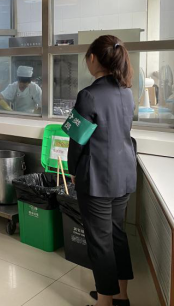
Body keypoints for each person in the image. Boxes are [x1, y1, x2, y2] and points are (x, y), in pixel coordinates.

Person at [68, 35, 136, 306]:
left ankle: (104, 302)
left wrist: (73, 170)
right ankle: (121, 296)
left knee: (100, 241)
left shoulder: (89, 95)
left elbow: (77, 140)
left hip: (96, 178)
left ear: (93, 58)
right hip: (124, 175)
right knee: (117, 234)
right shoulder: (127, 92)